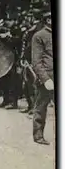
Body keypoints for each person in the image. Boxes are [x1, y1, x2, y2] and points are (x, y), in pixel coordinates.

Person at [31, 9, 53, 145]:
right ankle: (38, 136)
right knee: (41, 107)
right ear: (48, 20)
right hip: (47, 77)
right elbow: (36, 61)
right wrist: (45, 79)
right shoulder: (39, 36)